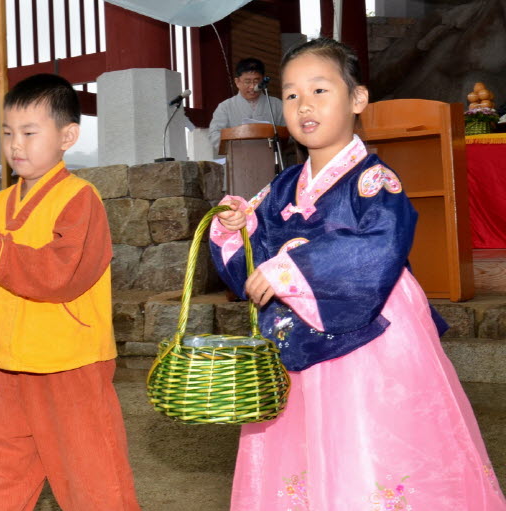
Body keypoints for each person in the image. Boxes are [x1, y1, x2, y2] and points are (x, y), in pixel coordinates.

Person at [209, 38, 506, 510]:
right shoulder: (281, 187)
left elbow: (381, 245)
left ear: (358, 98)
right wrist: (237, 230)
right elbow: (256, 257)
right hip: (296, 333)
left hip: (373, 333)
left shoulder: (374, 179)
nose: (304, 105)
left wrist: (290, 269)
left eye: (319, 90)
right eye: (291, 94)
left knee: (368, 438)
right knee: (301, 441)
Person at [0, 73, 141, 511]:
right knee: (4, 468)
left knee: (91, 472)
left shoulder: (80, 198)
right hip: (9, 363)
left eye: (29, 133)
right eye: (8, 133)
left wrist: (2, 256)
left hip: (69, 362)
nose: (15, 145)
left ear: (67, 137)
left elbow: (66, 271)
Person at [208, 57, 285, 149]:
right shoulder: (225, 107)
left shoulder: (277, 105)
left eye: (256, 81)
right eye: (247, 82)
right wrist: (236, 142)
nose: (252, 86)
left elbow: (290, 132)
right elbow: (214, 135)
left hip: (271, 155)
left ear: (263, 80)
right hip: (239, 155)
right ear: (237, 82)